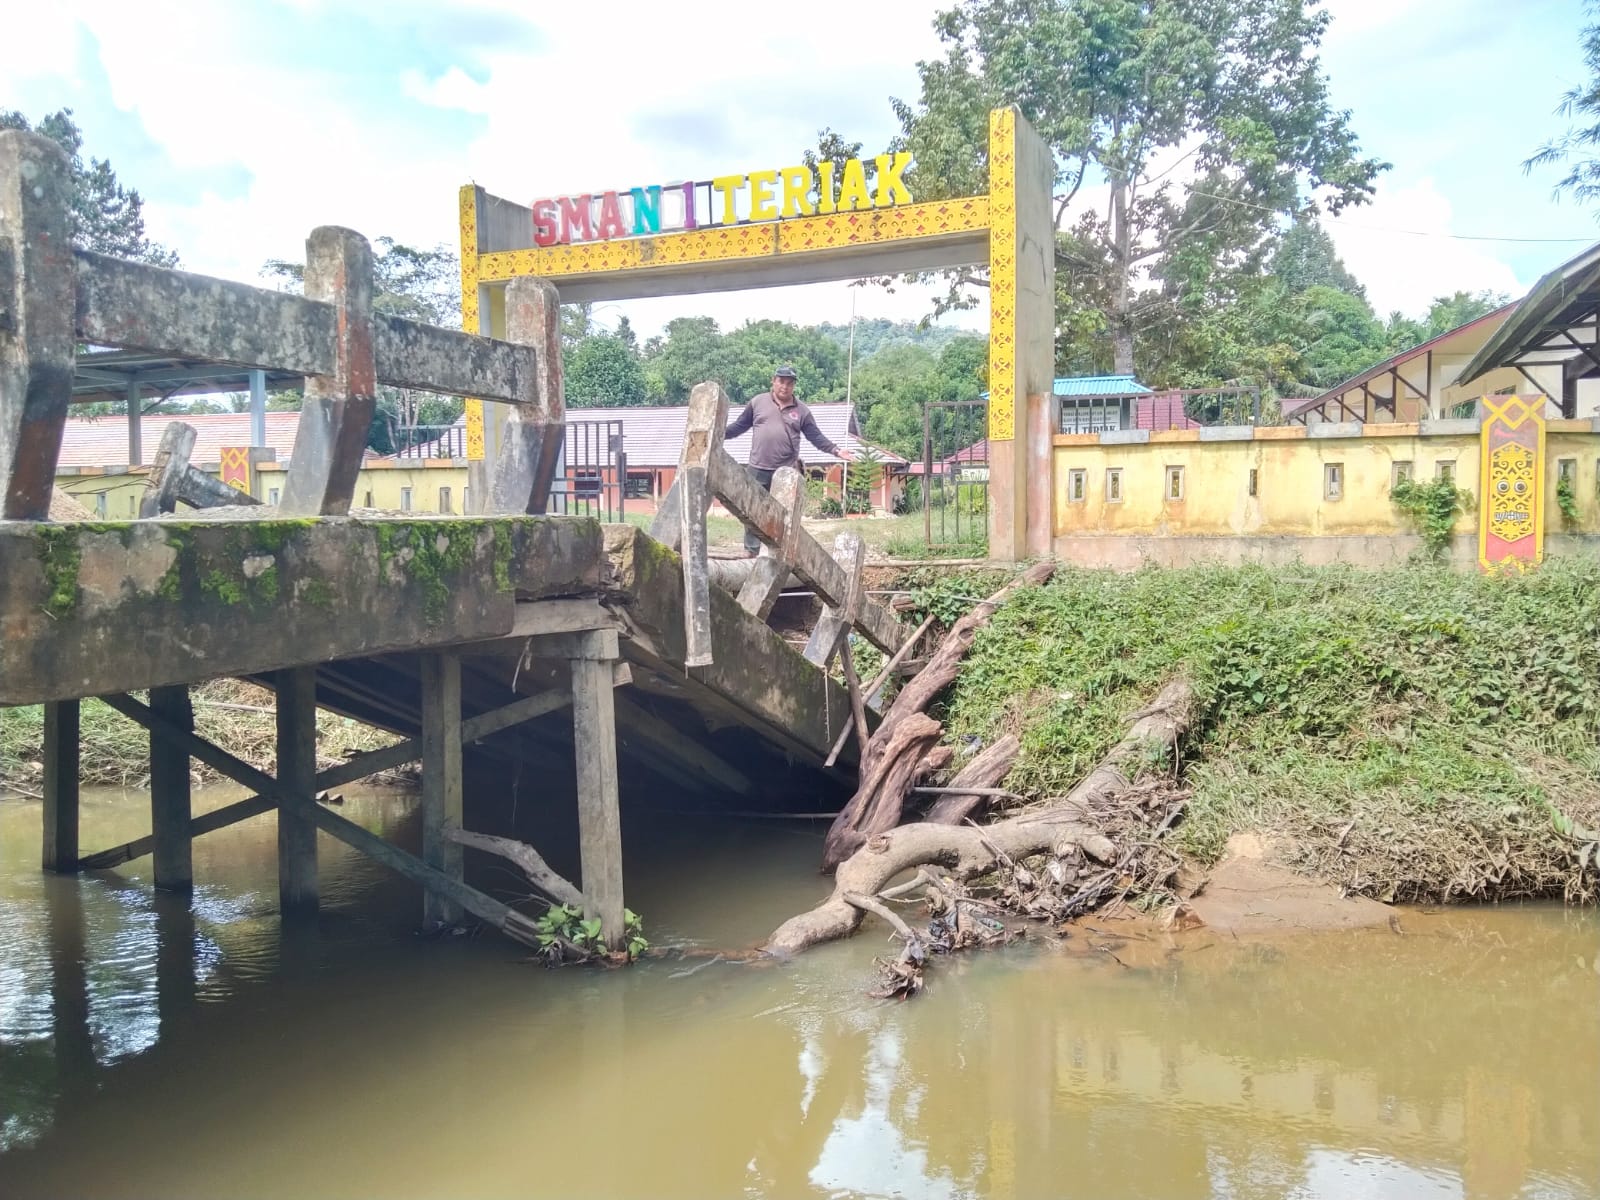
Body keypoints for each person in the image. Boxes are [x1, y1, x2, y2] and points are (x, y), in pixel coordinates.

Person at [722, 366, 853, 556]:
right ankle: (751, 550)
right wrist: (719, 433)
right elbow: (739, 427)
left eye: (789, 383)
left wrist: (836, 450)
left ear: (794, 386)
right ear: (773, 381)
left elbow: (816, 437)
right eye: (781, 381)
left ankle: (780, 553)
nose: (785, 386)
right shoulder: (758, 402)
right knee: (751, 509)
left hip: (785, 472)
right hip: (758, 467)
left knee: (784, 514)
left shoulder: (802, 411)